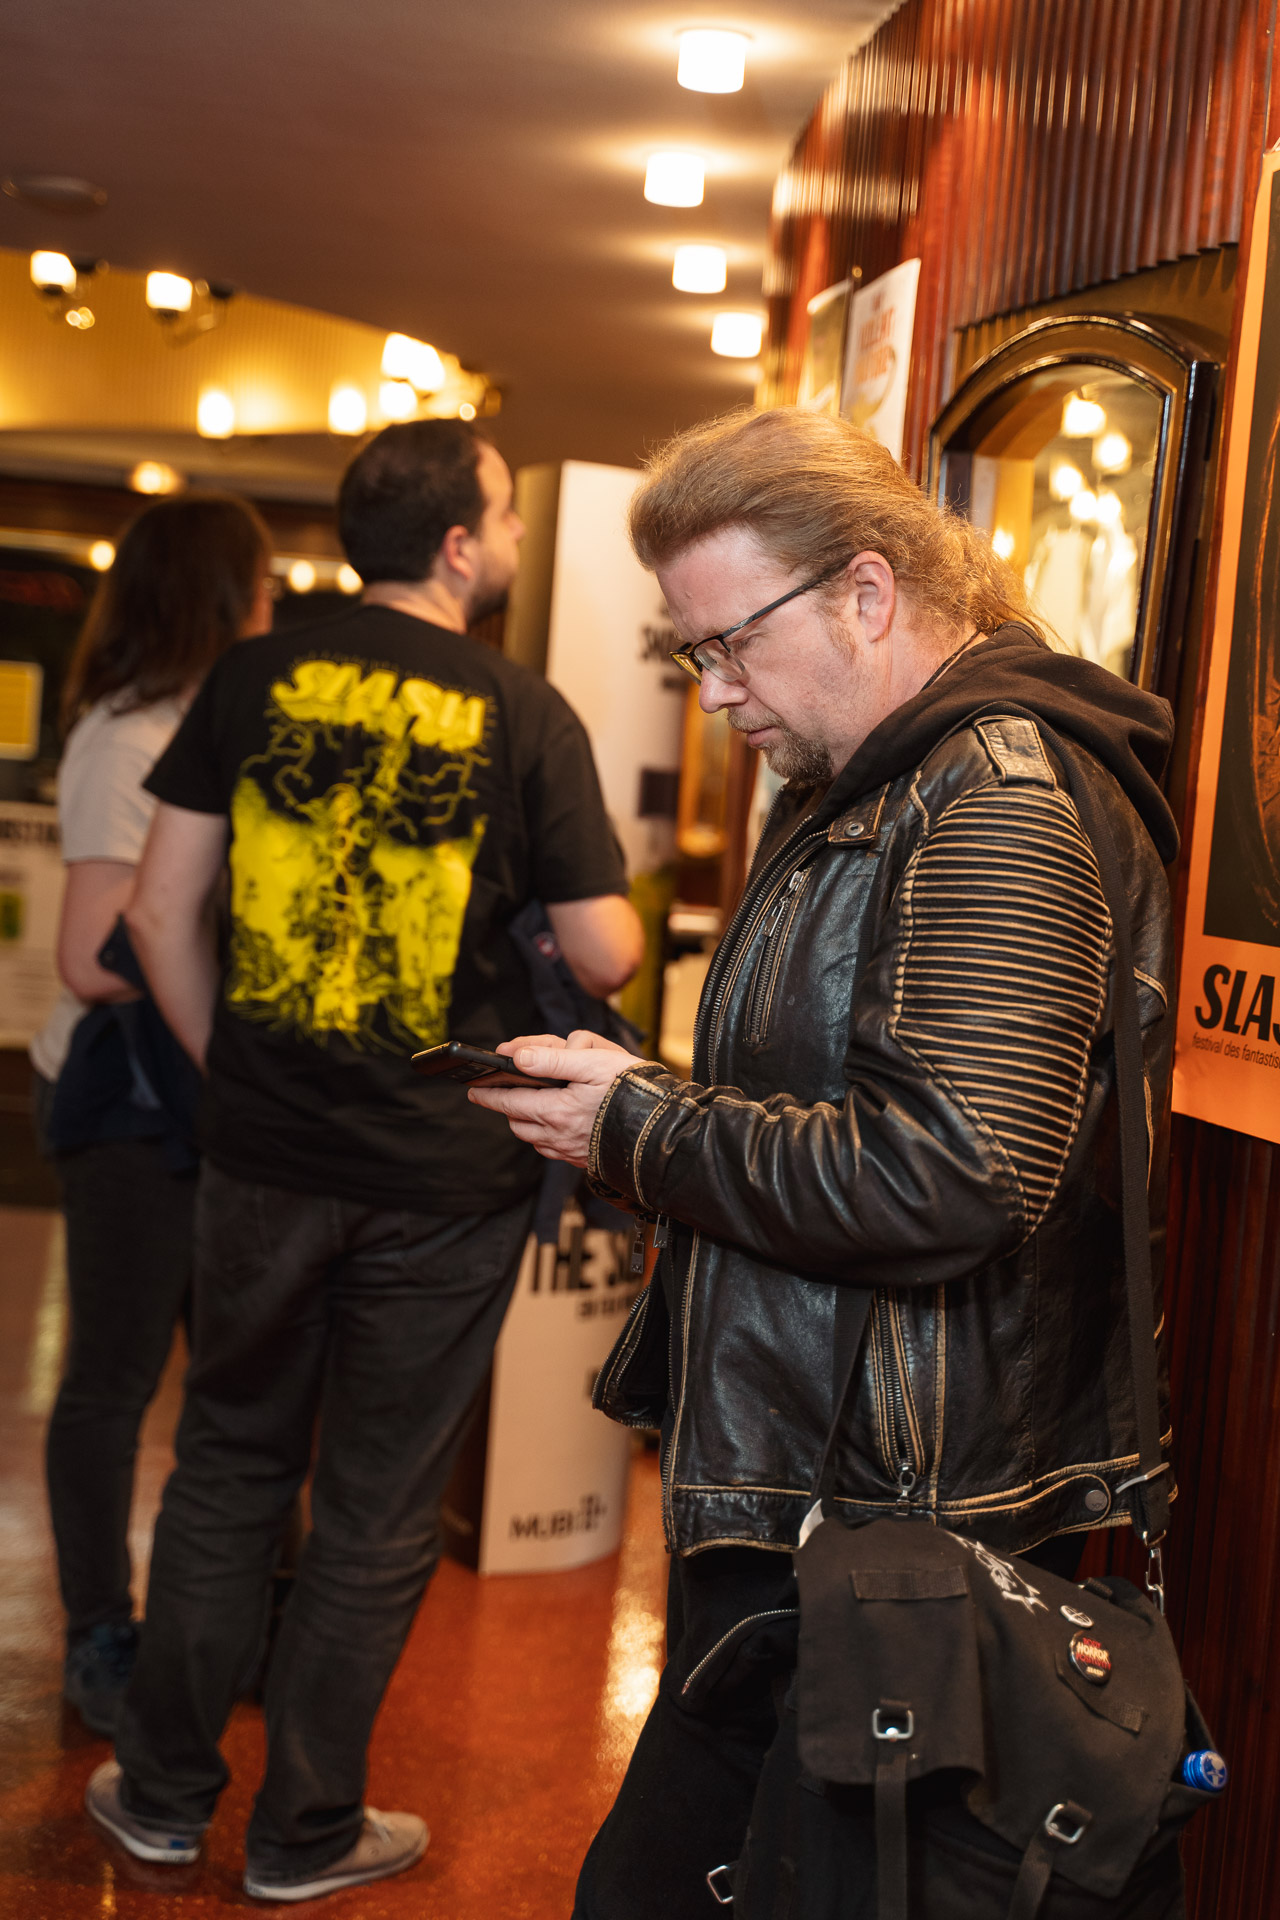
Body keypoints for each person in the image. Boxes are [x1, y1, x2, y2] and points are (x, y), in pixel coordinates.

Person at [469, 407, 1179, 1918]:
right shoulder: (869, 780)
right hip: (823, 1485)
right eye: (693, 652)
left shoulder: (992, 797)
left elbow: (952, 1175)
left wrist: (639, 1126)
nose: (715, 688)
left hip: (892, 1513)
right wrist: (635, 1125)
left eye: (732, 642)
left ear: (867, 590)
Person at [84, 418, 644, 1904]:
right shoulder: (524, 710)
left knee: (228, 1463)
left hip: (264, 1152)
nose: (511, 541)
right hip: (442, 1173)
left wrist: (232, 1071)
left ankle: (158, 1799)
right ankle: (305, 1833)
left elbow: (155, 913)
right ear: (458, 545)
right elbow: (605, 951)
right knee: (380, 1507)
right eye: (506, 518)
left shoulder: (249, 679)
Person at [30, 492, 275, 1737]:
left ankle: (223, 1627)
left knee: (225, 1378)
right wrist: (218, 958)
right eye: (261, 586)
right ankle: (98, 1633)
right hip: (134, 1106)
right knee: (113, 1382)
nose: (273, 608)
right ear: (219, 600)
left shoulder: (192, 723)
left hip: (183, 1100)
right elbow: (89, 953)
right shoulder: (128, 736)